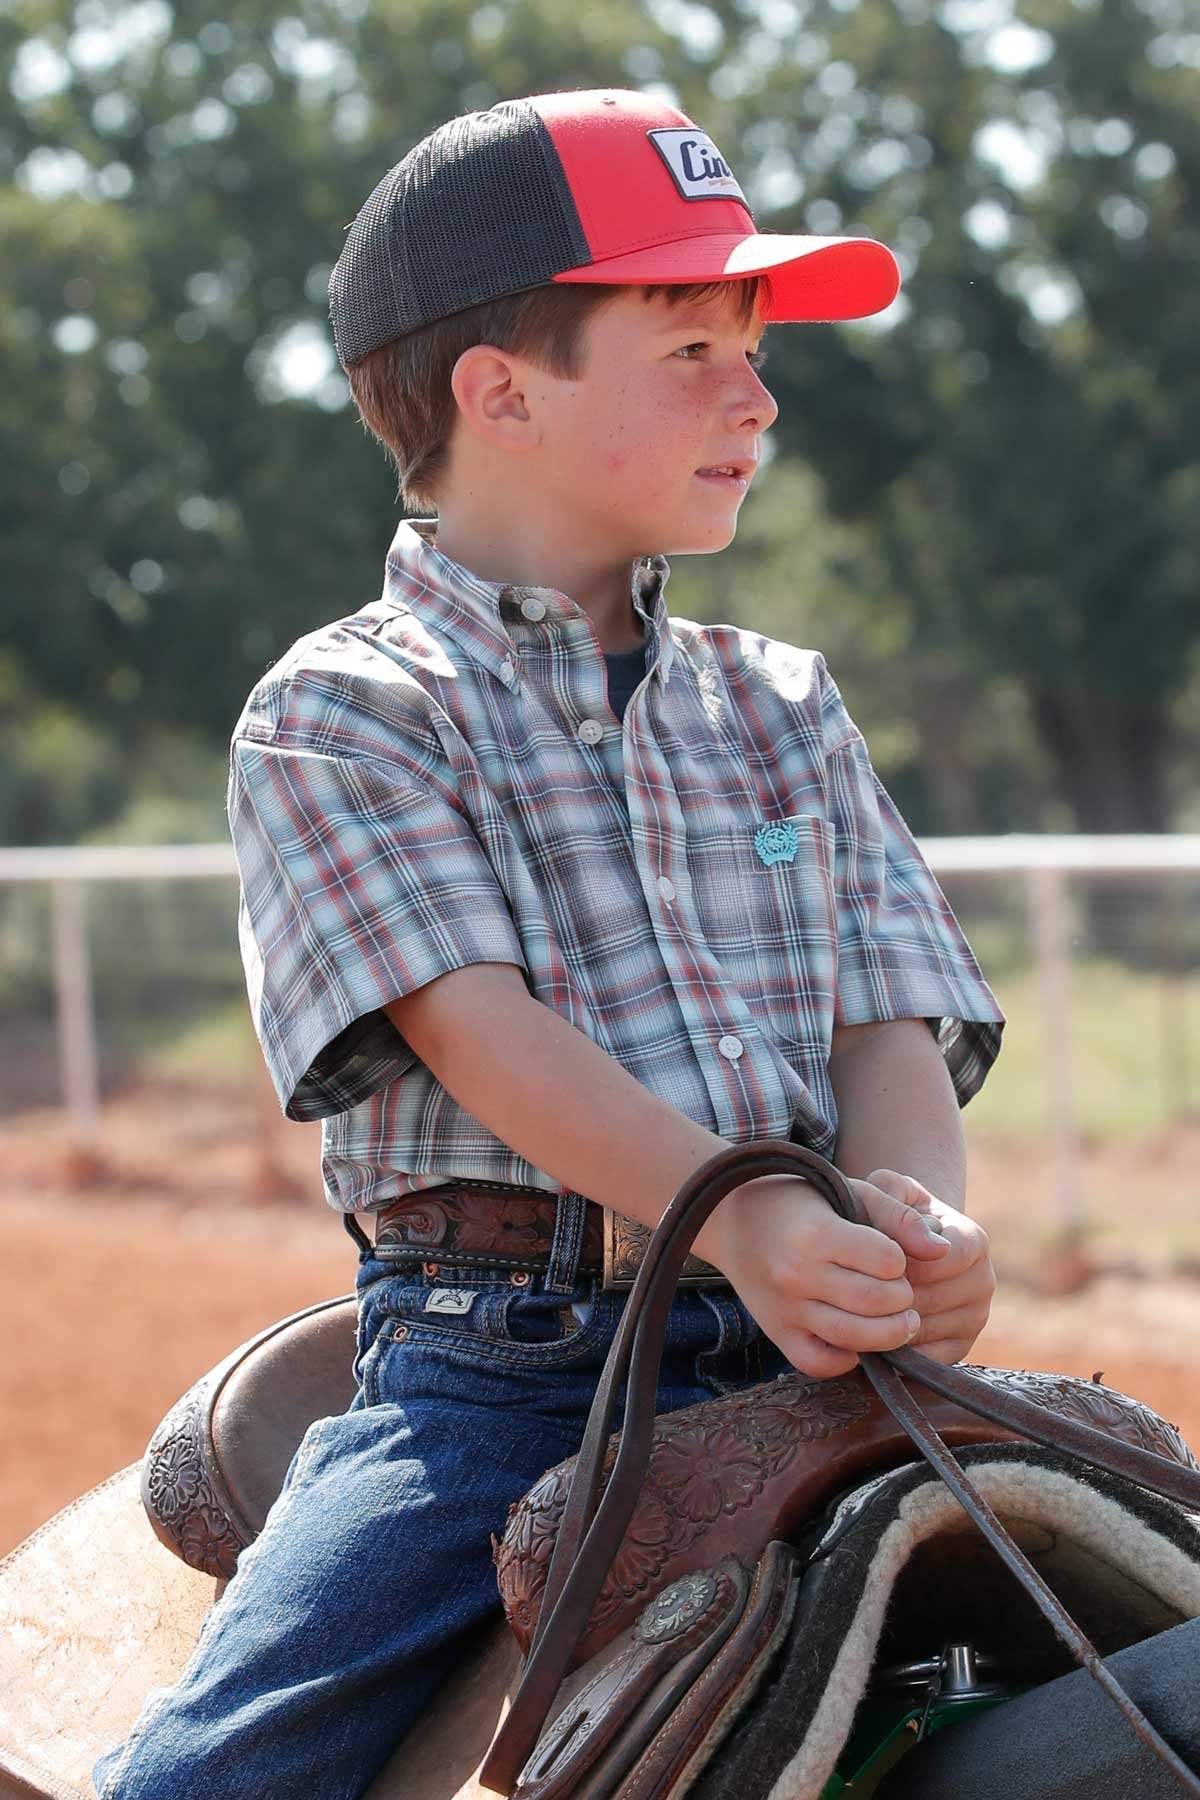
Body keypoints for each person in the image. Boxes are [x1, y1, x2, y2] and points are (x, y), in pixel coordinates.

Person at [95, 87, 1004, 1800]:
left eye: (754, 344)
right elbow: (477, 1028)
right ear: (499, 392)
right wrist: (745, 1216)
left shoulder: (784, 702)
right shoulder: (345, 711)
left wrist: (906, 1215)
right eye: (691, 347)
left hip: (811, 1314)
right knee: (221, 1775)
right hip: (505, 1365)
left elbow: (891, 1009)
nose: (760, 393)